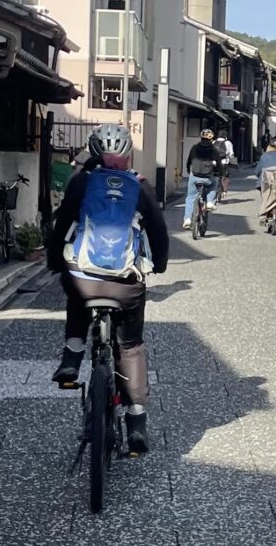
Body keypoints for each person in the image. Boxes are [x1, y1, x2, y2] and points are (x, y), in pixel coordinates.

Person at [48, 123, 169, 455]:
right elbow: (158, 233)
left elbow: (62, 227)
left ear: (94, 151)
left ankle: (72, 358)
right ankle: (136, 422)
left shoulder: (81, 183)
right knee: (129, 347)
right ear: (128, 154)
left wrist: (56, 263)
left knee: (76, 293)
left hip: (85, 279)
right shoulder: (140, 188)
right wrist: (158, 265)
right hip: (126, 285)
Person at [184, 128, 222, 228]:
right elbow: (219, 163)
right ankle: (209, 202)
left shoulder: (194, 147)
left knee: (190, 197)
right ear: (211, 139)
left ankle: (187, 219)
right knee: (214, 184)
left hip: (194, 175)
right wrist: (221, 174)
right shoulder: (213, 150)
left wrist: (188, 170)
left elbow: (189, 161)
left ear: (201, 137)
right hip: (207, 176)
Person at [213, 130, 236, 198]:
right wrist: (232, 160)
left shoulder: (214, 142)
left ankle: (213, 190)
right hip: (224, 162)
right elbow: (231, 154)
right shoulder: (228, 143)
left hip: (214, 163)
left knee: (214, 176)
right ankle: (224, 191)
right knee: (225, 177)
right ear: (225, 136)